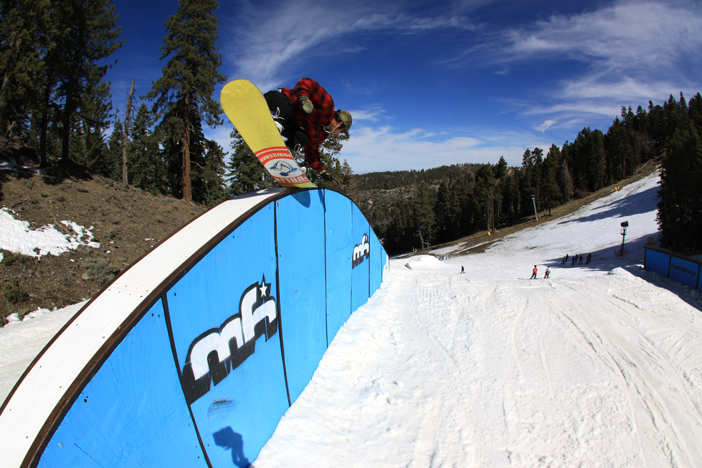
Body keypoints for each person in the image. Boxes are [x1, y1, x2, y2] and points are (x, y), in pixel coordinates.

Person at [264, 78, 352, 185]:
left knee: (302, 137)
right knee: (289, 108)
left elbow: (312, 153)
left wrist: (322, 171)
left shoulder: (320, 133)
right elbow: (308, 82)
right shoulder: (327, 106)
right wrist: (304, 97)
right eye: (341, 132)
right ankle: (274, 122)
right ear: (340, 125)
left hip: (286, 121)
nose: (338, 134)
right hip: (276, 101)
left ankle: (287, 156)